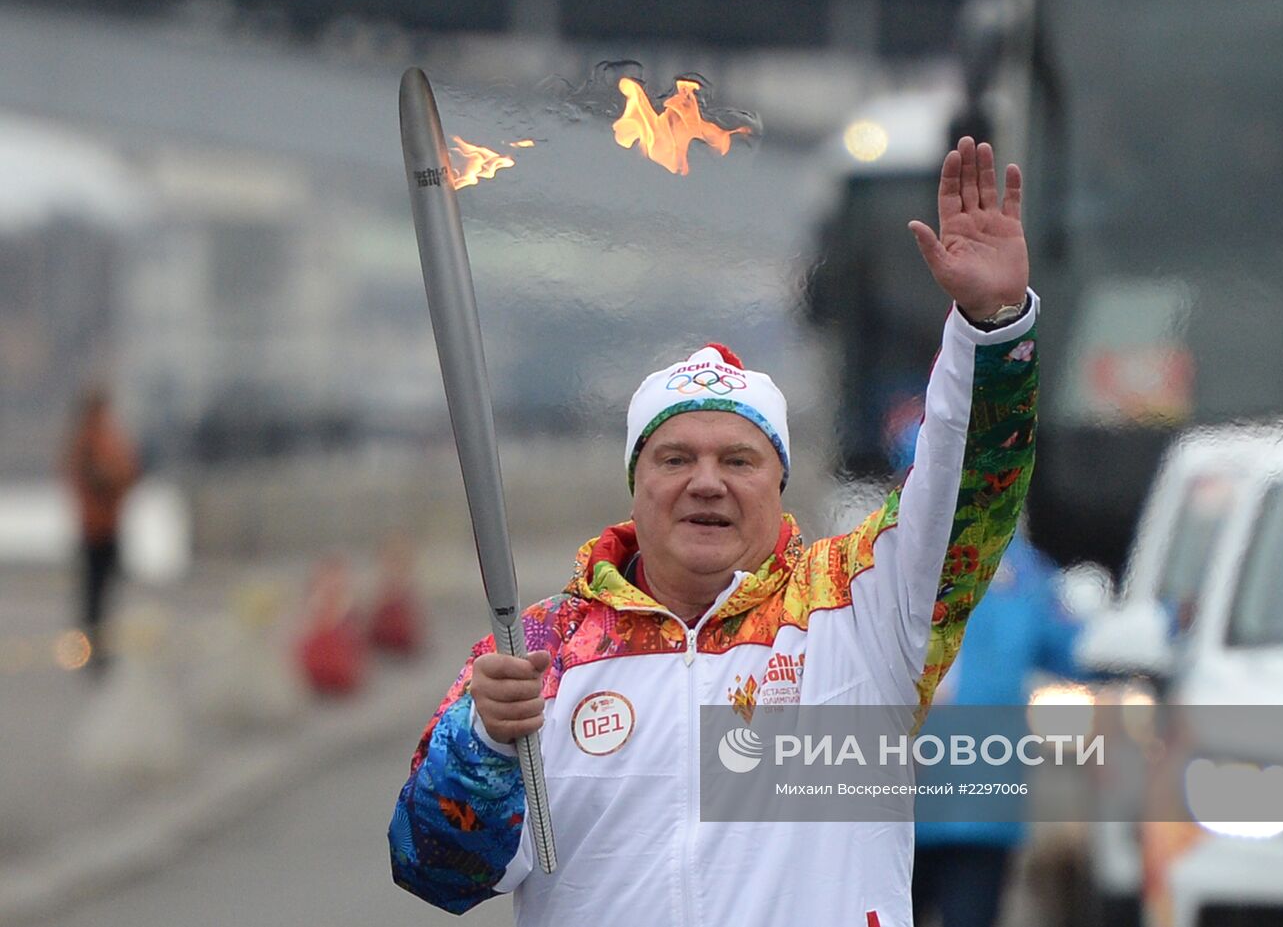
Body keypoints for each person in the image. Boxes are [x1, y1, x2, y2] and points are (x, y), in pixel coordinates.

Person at [388, 138, 1039, 926]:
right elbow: (433, 870)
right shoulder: (541, 654)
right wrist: (484, 748)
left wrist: (990, 327)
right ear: (638, 484)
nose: (706, 480)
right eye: (675, 457)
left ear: (779, 484)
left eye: (738, 458)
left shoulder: (861, 613)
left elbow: (967, 489)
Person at [911, 529, 1089, 927]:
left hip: (978, 807)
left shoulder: (1024, 571)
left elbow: (1079, 648)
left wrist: (1166, 622)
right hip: (897, 806)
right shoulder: (885, 551)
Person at [62, 387, 139, 674]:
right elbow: (96, 478)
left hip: (108, 524)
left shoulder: (103, 437)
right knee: (94, 594)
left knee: (104, 592)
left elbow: (127, 470)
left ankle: (100, 649)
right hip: (95, 527)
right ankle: (90, 652)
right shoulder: (89, 440)